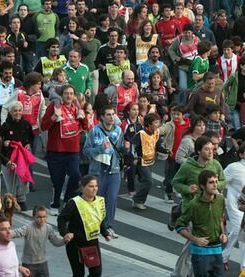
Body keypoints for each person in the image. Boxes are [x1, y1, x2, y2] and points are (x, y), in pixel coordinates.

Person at [171, 136, 225, 277]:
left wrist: (215, 187)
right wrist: (188, 189)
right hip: (193, 208)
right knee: (193, 245)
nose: (210, 152)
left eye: (212, 149)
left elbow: (223, 181)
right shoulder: (188, 166)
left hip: (210, 206)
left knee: (199, 245)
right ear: (199, 151)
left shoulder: (215, 165)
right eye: (207, 149)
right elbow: (176, 182)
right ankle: (179, 274)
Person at [41, 85, 88, 216]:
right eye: (66, 93)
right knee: (58, 180)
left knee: (75, 175)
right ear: (62, 95)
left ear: (74, 96)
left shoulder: (76, 108)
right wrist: (54, 118)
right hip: (56, 150)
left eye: (71, 94)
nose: (68, 96)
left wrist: (83, 117)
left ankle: (67, 197)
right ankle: (55, 203)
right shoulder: (54, 107)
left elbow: (85, 126)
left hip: (73, 150)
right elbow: (43, 126)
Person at [83, 105, 128, 238]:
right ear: (102, 117)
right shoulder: (94, 131)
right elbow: (86, 151)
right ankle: (94, 225)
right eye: (108, 114)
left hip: (113, 170)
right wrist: (100, 148)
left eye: (113, 114)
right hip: (98, 171)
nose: (111, 117)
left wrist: (126, 148)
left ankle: (108, 226)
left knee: (112, 199)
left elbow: (119, 150)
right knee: (96, 199)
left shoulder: (119, 131)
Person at [175, 170, 227, 277]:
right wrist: (195, 239)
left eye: (216, 182)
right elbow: (179, 226)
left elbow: (220, 218)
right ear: (203, 186)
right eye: (211, 182)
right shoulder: (193, 205)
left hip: (217, 250)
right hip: (200, 253)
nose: (215, 185)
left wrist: (223, 233)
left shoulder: (220, 199)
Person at [58, 175, 112, 277]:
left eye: (96, 186)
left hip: (92, 242)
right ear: (82, 187)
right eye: (91, 186)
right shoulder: (74, 203)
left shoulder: (100, 201)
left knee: (96, 273)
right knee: (78, 274)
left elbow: (99, 219)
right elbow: (61, 219)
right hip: (75, 244)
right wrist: (65, 233)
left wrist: (105, 233)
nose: (94, 188)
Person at [0, 101, 35, 211]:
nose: (18, 113)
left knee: (23, 181)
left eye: (20, 110)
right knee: (10, 183)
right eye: (15, 111)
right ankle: (11, 201)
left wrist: (29, 144)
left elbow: (31, 137)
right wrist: (4, 143)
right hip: (8, 157)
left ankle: (21, 200)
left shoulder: (26, 124)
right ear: (10, 112)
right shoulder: (5, 125)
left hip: (22, 157)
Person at [12, 205, 65, 276]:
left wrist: (65, 240)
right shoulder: (28, 228)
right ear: (33, 217)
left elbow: (56, 242)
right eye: (39, 217)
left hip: (43, 263)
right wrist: (6, 232)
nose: (42, 219)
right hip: (29, 263)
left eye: (44, 217)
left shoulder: (48, 228)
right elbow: (16, 232)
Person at [131, 113, 170, 209]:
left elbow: (158, 146)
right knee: (148, 181)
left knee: (144, 181)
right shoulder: (141, 134)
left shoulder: (156, 133)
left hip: (150, 161)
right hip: (141, 162)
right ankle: (138, 200)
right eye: (156, 122)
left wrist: (166, 150)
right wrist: (135, 158)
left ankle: (137, 199)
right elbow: (132, 146)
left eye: (158, 122)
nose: (158, 125)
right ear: (148, 124)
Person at [159, 105, 190, 203]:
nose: (175, 116)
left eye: (178, 114)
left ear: (183, 115)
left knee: (181, 175)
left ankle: (177, 189)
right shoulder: (170, 124)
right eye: (173, 114)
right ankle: (168, 194)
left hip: (184, 156)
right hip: (172, 155)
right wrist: (155, 130)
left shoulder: (188, 125)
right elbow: (161, 130)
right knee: (170, 177)